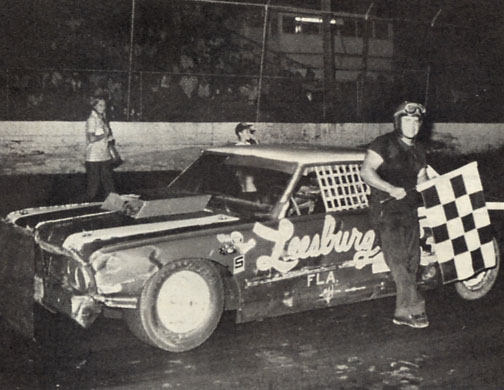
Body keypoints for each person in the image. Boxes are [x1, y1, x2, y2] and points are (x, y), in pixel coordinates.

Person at [360, 101, 429, 329]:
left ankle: (401, 312)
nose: (412, 126)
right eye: (407, 120)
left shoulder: (418, 148)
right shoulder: (383, 144)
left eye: (416, 121)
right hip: (386, 211)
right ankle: (416, 308)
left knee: (412, 261)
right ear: (398, 122)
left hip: (410, 209)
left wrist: (431, 187)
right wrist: (389, 188)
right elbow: (366, 171)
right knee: (398, 261)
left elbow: (421, 177)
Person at [85, 96, 116, 201]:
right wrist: (105, 134)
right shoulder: (92, 120)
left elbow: (107, 136)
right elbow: (91, 138)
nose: (103, 107)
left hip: (104, 155)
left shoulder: (102, 118)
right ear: (94, 106)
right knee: (93, 186)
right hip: (94, 157)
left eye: (104, 105)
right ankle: (87, 208)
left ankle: (114, 205)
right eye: (100, 105)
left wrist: (109, 137)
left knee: (108, 184)